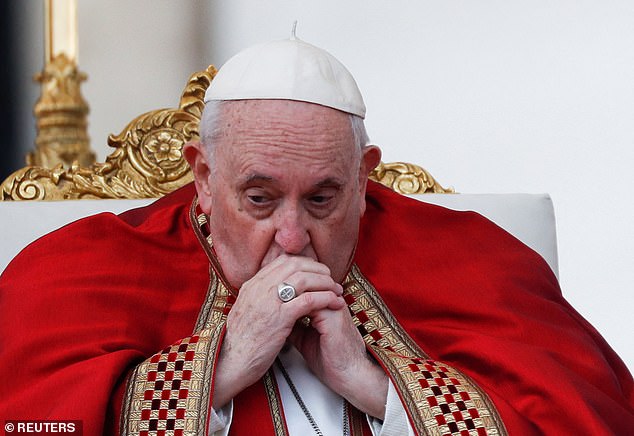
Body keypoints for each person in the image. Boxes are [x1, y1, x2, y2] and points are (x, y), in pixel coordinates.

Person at [1, 35, 633, 436]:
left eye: (323, 199)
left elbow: (589, 418)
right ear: (202, 177)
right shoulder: (84, 270)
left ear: (364, 178)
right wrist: (211, 375)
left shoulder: (475, 262)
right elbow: (29, 419)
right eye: (259, 198)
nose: (293, 237)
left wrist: (379, 390)